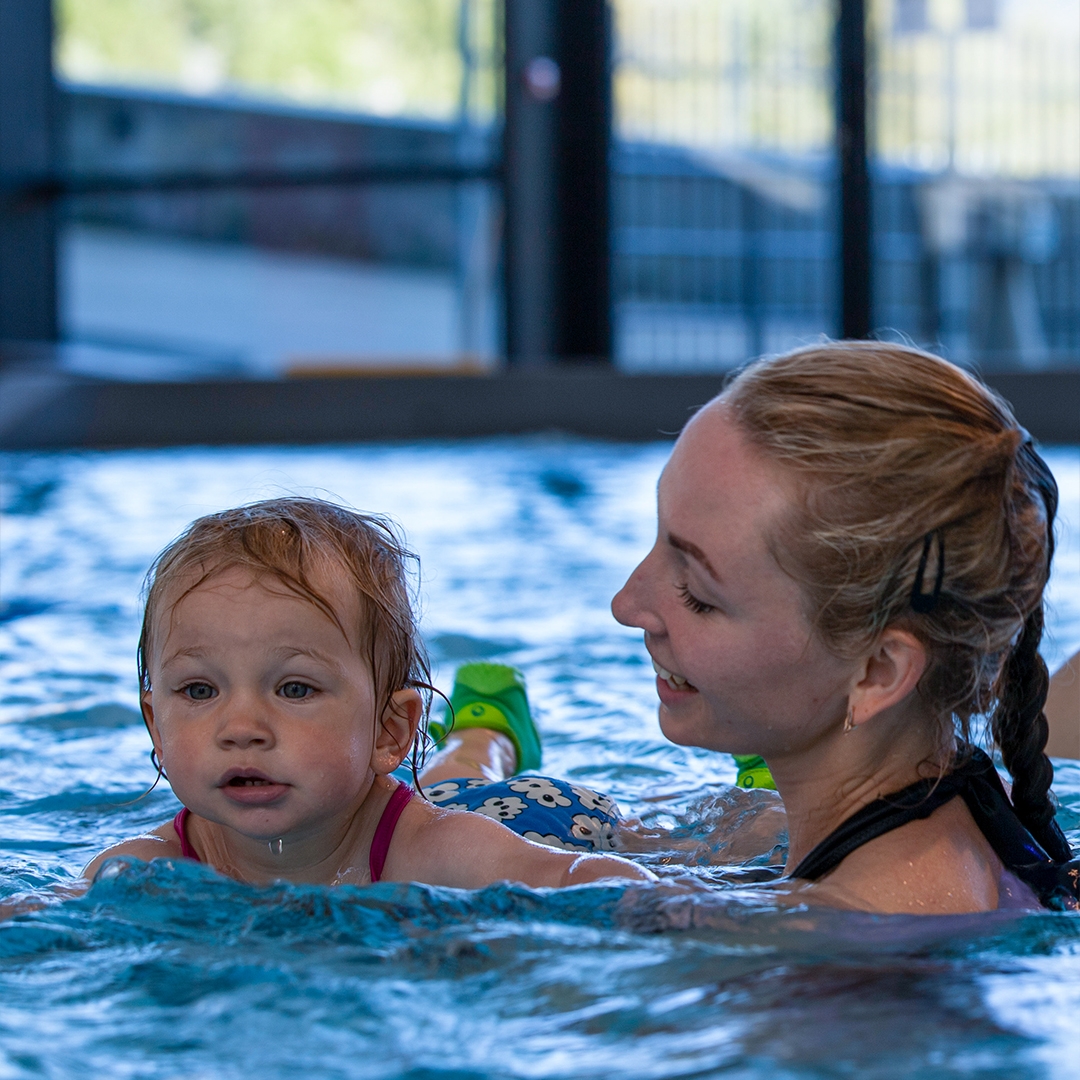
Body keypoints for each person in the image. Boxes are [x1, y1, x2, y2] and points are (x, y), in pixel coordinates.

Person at [607, 341, 1077, 914]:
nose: (625, 604)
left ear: (877, 672)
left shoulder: (868, 933)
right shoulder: (951, 797)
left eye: (698, 596)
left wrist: (550, 873)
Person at [83, 499, 652, 890]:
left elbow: (583, 879)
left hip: (514, 813)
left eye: (294, 687)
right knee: (449, 776)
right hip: (388, 780)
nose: (240, 726)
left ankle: (490, 729)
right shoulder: (145, 867)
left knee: (467, 780)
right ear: (156, 724)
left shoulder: (436, 853)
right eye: (200, 689)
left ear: (391, 730)